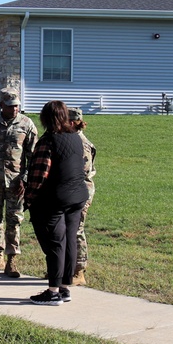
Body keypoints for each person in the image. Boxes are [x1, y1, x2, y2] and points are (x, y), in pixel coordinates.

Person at [24, 100, 89, 306]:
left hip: (54, 200)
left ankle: (52, 292)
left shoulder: (48, 140)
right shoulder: (75, 138)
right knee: (69, 241)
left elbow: (39, 174)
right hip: (77, 197)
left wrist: (28, 199)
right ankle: (64, 288)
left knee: (54, 244)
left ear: (45, 118)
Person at [0, 88, 38, 278]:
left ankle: (12, 259)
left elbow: (33, 156)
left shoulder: (27, 124)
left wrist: (25, 179)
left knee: (14, 221)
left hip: (16, 183)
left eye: (17, 106)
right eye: (10, 107)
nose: (14, 110)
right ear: (1, 106)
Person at [69, 107, 96, 286]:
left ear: (71, 123)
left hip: (81, 191)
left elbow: (81, 172)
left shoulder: (82, 144)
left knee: (77, 229)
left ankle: (79, 271)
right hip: (72, 190)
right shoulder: (71, 140)